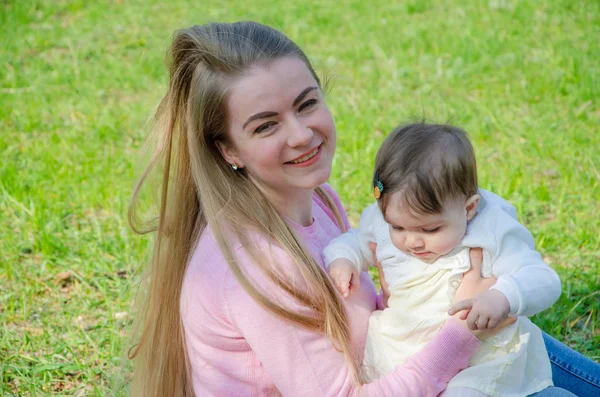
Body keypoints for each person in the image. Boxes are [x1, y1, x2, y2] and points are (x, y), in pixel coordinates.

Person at [126, 21, 600, 397]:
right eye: (266, 125)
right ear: (228, 150)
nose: (301, 134)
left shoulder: (319, 198)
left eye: (306, 103)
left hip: (391, 365)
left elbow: (360, 304)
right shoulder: (255, 266)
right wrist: (461, 332)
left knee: (524, 343)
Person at [324, 122, 558, 396]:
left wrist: (503, 297)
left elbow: (544, 279)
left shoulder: (491, 231)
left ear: (468, 208)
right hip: (407, 349)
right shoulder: (383, 221)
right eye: (397, 228)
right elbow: (355, 240)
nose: (412, 241)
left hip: (480, 363)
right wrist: (343, 259)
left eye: (430, 229)